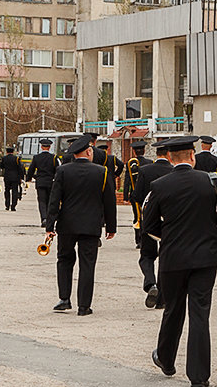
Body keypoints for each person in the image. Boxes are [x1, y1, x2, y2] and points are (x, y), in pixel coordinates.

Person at [143, 135, 217, 387]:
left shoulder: (159, 185)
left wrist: (170, 234)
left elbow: (149, 225)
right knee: (199, 313)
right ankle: (198, 378)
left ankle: (166, 360)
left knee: (173, 310)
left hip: (172, 258)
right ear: (192, 156)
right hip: (204, 259)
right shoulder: (210, 181)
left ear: (169, 158)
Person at [45, 135, 117, 316]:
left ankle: (64, 299)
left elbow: (55, 200)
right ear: (89, 151)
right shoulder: (102, 172)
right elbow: (109, 201)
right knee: (87, 265)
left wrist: (50, 225)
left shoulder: (63, 171)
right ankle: (84, 306)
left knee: (64, 260)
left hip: (66, 225)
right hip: (91, 226)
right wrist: (111, 227)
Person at [134, 140, 174, 307]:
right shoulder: (173, 172)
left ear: (157, 154)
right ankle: (162, 299)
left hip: (150, 220)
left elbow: (136, 196)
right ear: (169, 154)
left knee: (147, 256)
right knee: (166, 258)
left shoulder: (144, 171)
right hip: (169, 222)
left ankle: (151, 283)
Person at [123, 141, 153, 248]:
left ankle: (138, 240)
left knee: (137, 216)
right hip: (148, 194)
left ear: (134, 152)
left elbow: (127, 181)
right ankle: (147, 238)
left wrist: (125, 196)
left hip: (135, 195)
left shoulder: (130, 163)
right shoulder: (150, 162)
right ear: (144, 151)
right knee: (148, 215)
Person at [26, 138, 58, 226]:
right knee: (50, 201)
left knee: (42, 201)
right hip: (51, 182)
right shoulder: (54, 158)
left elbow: (31, 169)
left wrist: (30, 178)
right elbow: (58, 170)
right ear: (50, 147)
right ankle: (49, 219)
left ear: (41, 147)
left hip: (40, 182)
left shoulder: (36, 157)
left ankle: (43, 218)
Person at [0, 146, 25, 211]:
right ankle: (13, 205)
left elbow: (1, 166)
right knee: (15, 191)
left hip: (7, 176)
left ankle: (7, 205)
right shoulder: (16, 159)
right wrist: (21, 177)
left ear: (7, 152)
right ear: (13, 152)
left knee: (7, 190)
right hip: (15, 177)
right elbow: (20, 168)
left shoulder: (4, 158)